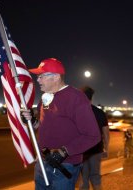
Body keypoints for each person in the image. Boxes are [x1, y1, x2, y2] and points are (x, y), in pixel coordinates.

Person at [21, 58, 101, 189]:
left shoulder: (76, 98)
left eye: (41, 76)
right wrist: (32, 121)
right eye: (38, 76)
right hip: (42, 163)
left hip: (65, 165)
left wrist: (63, 152)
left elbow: (93, 136)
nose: (38, 80)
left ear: (56, 77)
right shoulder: (44, 99)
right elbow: (43, 127)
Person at [79, 86, 110, 190]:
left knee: (83, 178)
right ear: (92, 97)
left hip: (81, 150)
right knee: (95, 176)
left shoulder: (76, 112)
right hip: (97, 149)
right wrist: (106, 148)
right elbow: (106, 133)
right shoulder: (99, 112)